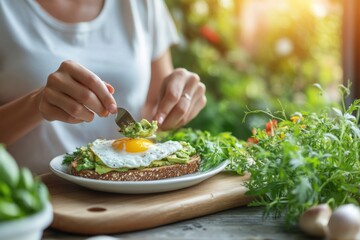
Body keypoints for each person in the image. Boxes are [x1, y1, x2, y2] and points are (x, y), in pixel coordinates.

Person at [0, 0, 206, 174]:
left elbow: (154, 107)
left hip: (128, 198)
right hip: (31, 201)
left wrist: (178, 101)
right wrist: (36, 103)